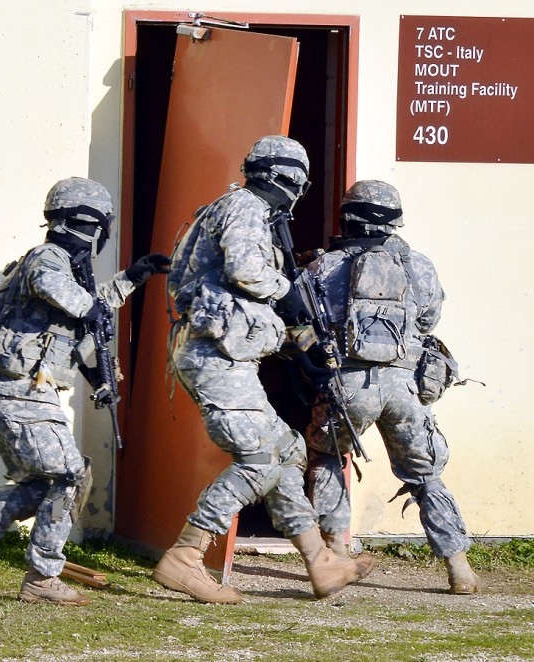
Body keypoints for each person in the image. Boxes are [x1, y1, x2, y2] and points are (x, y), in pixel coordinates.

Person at [151, 136, 375, 604]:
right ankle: (185, 557)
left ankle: (320, 561)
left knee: (287, 450)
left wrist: (293, 341)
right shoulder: (249, 207)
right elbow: (247, 273)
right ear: (289, 178)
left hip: (224, 356)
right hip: (216, 360)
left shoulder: (233, 208)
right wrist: (289, 295)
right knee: (258, 458)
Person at [0, 177, 170, 605]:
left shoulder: (61, 263)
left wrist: (132, 278)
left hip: (17, 392)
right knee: (71, 475)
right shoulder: (47, 259)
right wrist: (107, 299)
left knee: (45, 481)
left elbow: (79, 319)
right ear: (91, 223)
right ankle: (40, 577)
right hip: (19, 392)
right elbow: (78, 303)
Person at [304, 179, 480, 595]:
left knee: (327, 455)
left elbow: (306, 319)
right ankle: (460, 569)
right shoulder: (418, 265)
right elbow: (427, 319)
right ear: (395, 221)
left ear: (348, 217)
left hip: (348, 386)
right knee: (426, 475)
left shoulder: (324, 266)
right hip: (407, 386)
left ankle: (336, 553)